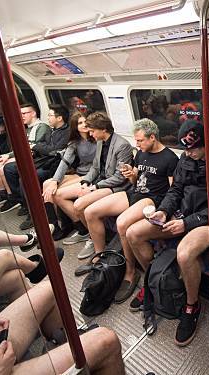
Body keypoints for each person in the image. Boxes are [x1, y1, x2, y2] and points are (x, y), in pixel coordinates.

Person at [126, 119, 209, 346]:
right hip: (182, 213)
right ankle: (153, 283)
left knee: (185, 253)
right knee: (133, 233)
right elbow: (176, 189)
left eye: (193, 149)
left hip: (207, 219)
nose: (188, 154)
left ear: (206, 144)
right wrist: (163, 211)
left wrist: (186, 223)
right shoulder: (185, 158)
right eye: (185, 149)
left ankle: (191, 305)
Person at [75, 118, 178, 304]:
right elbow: (136, 181)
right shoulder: (141, 153)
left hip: (153, 199)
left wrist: (165, 211)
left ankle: (130, 272)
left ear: (152, 137)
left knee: (121, 223)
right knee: (90, 212)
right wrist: (132, 175)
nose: (136, 144)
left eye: (139, 140)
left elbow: (173, 190)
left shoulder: (170, 158)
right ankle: (101, 259)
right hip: (134, 193)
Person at [68, 112, 133, 259]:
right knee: (78, 204)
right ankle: (95, 237)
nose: (90, 134)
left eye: (92, 131)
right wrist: (86, 182)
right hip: (100, 181)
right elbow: (95, 168)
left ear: (103, 129)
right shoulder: (99, 142)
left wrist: (95, 187)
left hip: (116, 186)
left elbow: (119, 177)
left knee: (80, 205)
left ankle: (99, 250)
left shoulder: (122, 146)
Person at [2, 105, 69, 231]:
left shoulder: (64, 132)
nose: (48, 118)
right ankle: (27, 206)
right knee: (10, 169)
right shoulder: (53, 130)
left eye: (50, 115)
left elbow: (53, 151)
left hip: (54, 164)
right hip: (46, 160)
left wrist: (35, 147)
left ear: (59, 118)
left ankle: (38, 215)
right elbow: (47, 149)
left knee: (26, 178)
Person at [42, 113, 96, 241]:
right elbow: (65, 162)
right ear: (75, 127)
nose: (84, 125)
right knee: (47, 184)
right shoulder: (75, 142)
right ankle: (54, 225)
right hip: (80, 172)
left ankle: (83, 229)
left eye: (85, 122)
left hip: (91, 175)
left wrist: (56, 184)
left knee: (56, 194)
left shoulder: (96, 138)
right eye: (80, 123)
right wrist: (55, 181)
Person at [0, 104, 50, 207]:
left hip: (36, 156)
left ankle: (13, 197)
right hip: (26, 152)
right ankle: (5, 194)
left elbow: (32, 146)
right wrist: (8, 155)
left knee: (2, 167)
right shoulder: (27, 129)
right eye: (20, 114)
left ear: (33, 113)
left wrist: (10, 155)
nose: (22, 116)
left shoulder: (41, 127)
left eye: (24, 113)